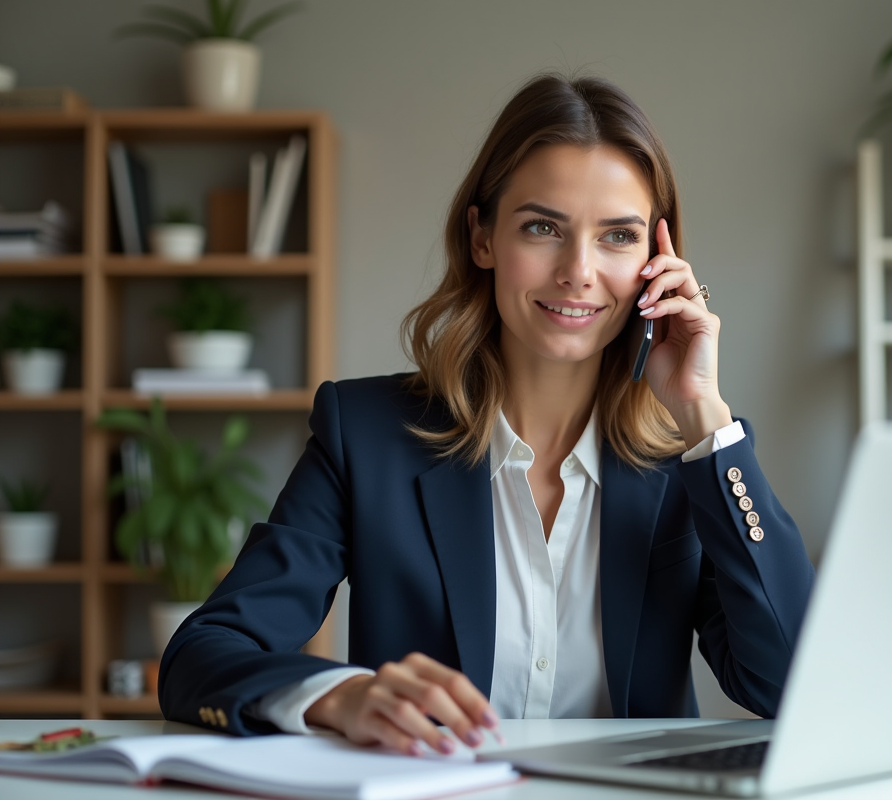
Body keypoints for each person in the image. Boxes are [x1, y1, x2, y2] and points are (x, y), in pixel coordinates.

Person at [159, 73, 815, 758]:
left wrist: (704, 418)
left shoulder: (693, 463)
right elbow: (202, 655)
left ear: (657, 263)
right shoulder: (366, 436)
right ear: (481, 238)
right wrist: (341, 696)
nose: (579, 271)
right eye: (542, 227)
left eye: (618, 237)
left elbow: (792, 685)